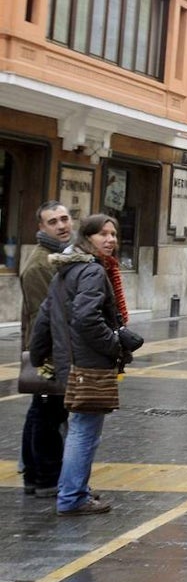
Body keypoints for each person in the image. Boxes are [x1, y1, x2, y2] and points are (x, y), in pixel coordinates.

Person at [29, 213, 143, 516]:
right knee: (84, 431)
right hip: (89, 365)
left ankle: (73, 491)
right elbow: (86, 318)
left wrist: (38, 353)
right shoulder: (92, 271)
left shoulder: (66, 271)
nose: (110, 240)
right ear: (87, 238)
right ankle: (73, 496)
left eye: (114, 234)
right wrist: (115, 345)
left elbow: (44, 317)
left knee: (78, 428)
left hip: (71, 364)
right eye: (102, 234)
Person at [19, 201, 74, 498]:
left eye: (64, 218)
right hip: (48, 354)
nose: (62, 225)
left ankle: (34, 475)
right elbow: (49, 317)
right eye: (53, 221)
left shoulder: (60, 257)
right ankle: (45, 477)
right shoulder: (41, 264)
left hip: (53, 351)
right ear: (41, 228)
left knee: (42, 411)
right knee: (46, 414)